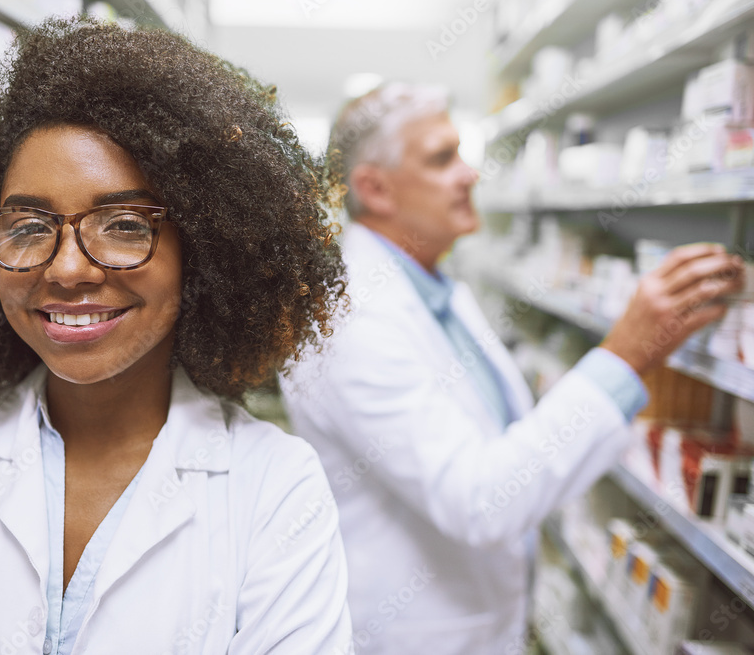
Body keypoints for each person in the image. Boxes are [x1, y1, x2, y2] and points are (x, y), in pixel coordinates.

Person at [0, 18, 352, 655]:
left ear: (201, 244)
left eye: (122, 223)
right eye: (29, 225)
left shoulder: (276, 488)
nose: (66, 269)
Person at [279, 83, 745, 654]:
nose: (470, 174)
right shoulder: (350, 321)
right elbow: (483, 499)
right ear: (375, 188)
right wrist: (627, 355)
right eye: (442, 158)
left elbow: (508, 446)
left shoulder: (432, 286)